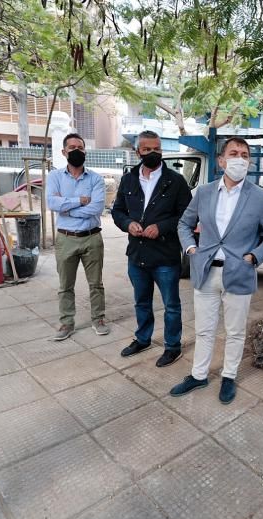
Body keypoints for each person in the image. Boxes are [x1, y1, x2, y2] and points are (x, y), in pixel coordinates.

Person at [170, 137, 263, 404]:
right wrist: (191, 250)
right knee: (204, 329)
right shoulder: (205, 192)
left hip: (240, 272)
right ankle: (198, 375)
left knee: (235, 331)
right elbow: (184, 225)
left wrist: (253, 257)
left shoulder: (259, 197)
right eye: (234, 153)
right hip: (206, 271)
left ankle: (229, 376)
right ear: (221, 161)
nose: (240, 159)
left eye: (245, 155)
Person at [112, 130, 192, 367]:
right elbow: (117, 211)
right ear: (138, 152)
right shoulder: (128, 179)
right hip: (137, 255)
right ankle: (143, 338)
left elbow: (187, 216)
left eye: (157, 149)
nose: (153, 153)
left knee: (171, 305)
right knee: (141, 302)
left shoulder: (176, 181)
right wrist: (128, 224)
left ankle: (172, 346)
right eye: (147, 150)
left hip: (165, 255)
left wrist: (162, 227)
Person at [46, 133, 111, 341]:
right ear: (64, 152)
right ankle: (66, 322)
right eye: (72, 147)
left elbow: (96, 207)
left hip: (92, 237)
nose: (76, 151)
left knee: (96, 283)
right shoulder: (55, 177)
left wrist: (68, 207)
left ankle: (98, 318)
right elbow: (52, 204)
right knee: (65, 285)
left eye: (80, 147)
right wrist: (79, 200)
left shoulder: (95, 179)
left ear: (85, 151)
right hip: (66, 238)